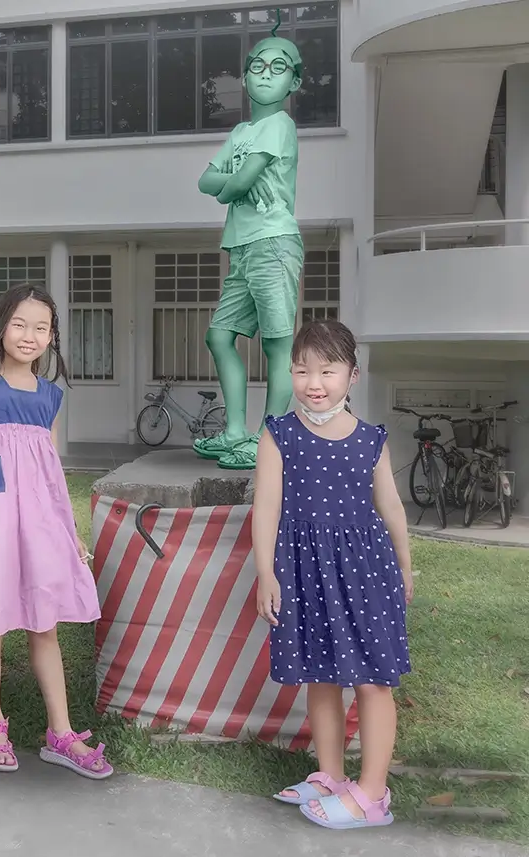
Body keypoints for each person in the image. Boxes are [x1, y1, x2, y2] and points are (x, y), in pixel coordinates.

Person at [0, 283, 112, 780]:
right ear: (0, 327)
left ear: (52, 336)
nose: (30, 335)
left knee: (43, 620)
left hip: (38, 520)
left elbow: (51, 469)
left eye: (41, 327)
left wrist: (71, 530)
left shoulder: (51, 397)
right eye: (20, 323)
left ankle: (61, 732)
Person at [252, 320, 413, 830]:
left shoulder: (370, 440)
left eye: (327, 370)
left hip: (366, 573)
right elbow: (266, 509)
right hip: (304, 572)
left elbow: (390, 507)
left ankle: (372, 793)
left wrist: (406, 567)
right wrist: (265, 573)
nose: (313, 382)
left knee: (371, 679)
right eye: (302, 370)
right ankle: (330, 775)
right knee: (320, 674)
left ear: (352, 375)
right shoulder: (278, 435)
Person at [192, 31, 305, 471]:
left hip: (274, 243)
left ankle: (268, 439)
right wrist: (229, 187)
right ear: (244, 77)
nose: (265, 75)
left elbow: (227, 184)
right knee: (219, 337)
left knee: (278, 346)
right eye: (258, 66)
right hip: (242, 246)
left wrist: (228, 187)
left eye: (278, 68)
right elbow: (205, 181)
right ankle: (236, 431)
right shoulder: (242, 131)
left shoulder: (280, 125)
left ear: (293, 83)